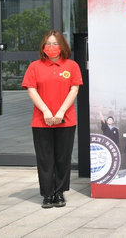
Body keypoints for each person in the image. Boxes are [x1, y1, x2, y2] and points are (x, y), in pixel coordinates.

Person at [22, 30, 83, 209]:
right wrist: (46, 111)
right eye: (48, 43)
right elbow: (31, 90)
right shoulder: (35, 66)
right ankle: (47, 194)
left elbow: (74, 89)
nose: (51, 47)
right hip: (42, 120)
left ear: (62, 46)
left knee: (63, 158)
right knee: (45, 159)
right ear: (43, 47)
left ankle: (59, 192)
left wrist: (61, 112)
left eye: (55, 43)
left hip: (66, 119)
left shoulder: (71, 66)